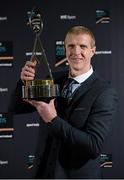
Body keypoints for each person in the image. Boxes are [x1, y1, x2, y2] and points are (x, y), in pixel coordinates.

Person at [11, 26, 118, 178]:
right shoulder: (53, 80)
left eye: (83, 46)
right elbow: (16, 108)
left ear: (93, 51)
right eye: (71, 46)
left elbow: (93, 146)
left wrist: (52, 120)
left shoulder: (104, 92)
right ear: (65, 49)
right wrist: (23, 83)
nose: (76, 52)